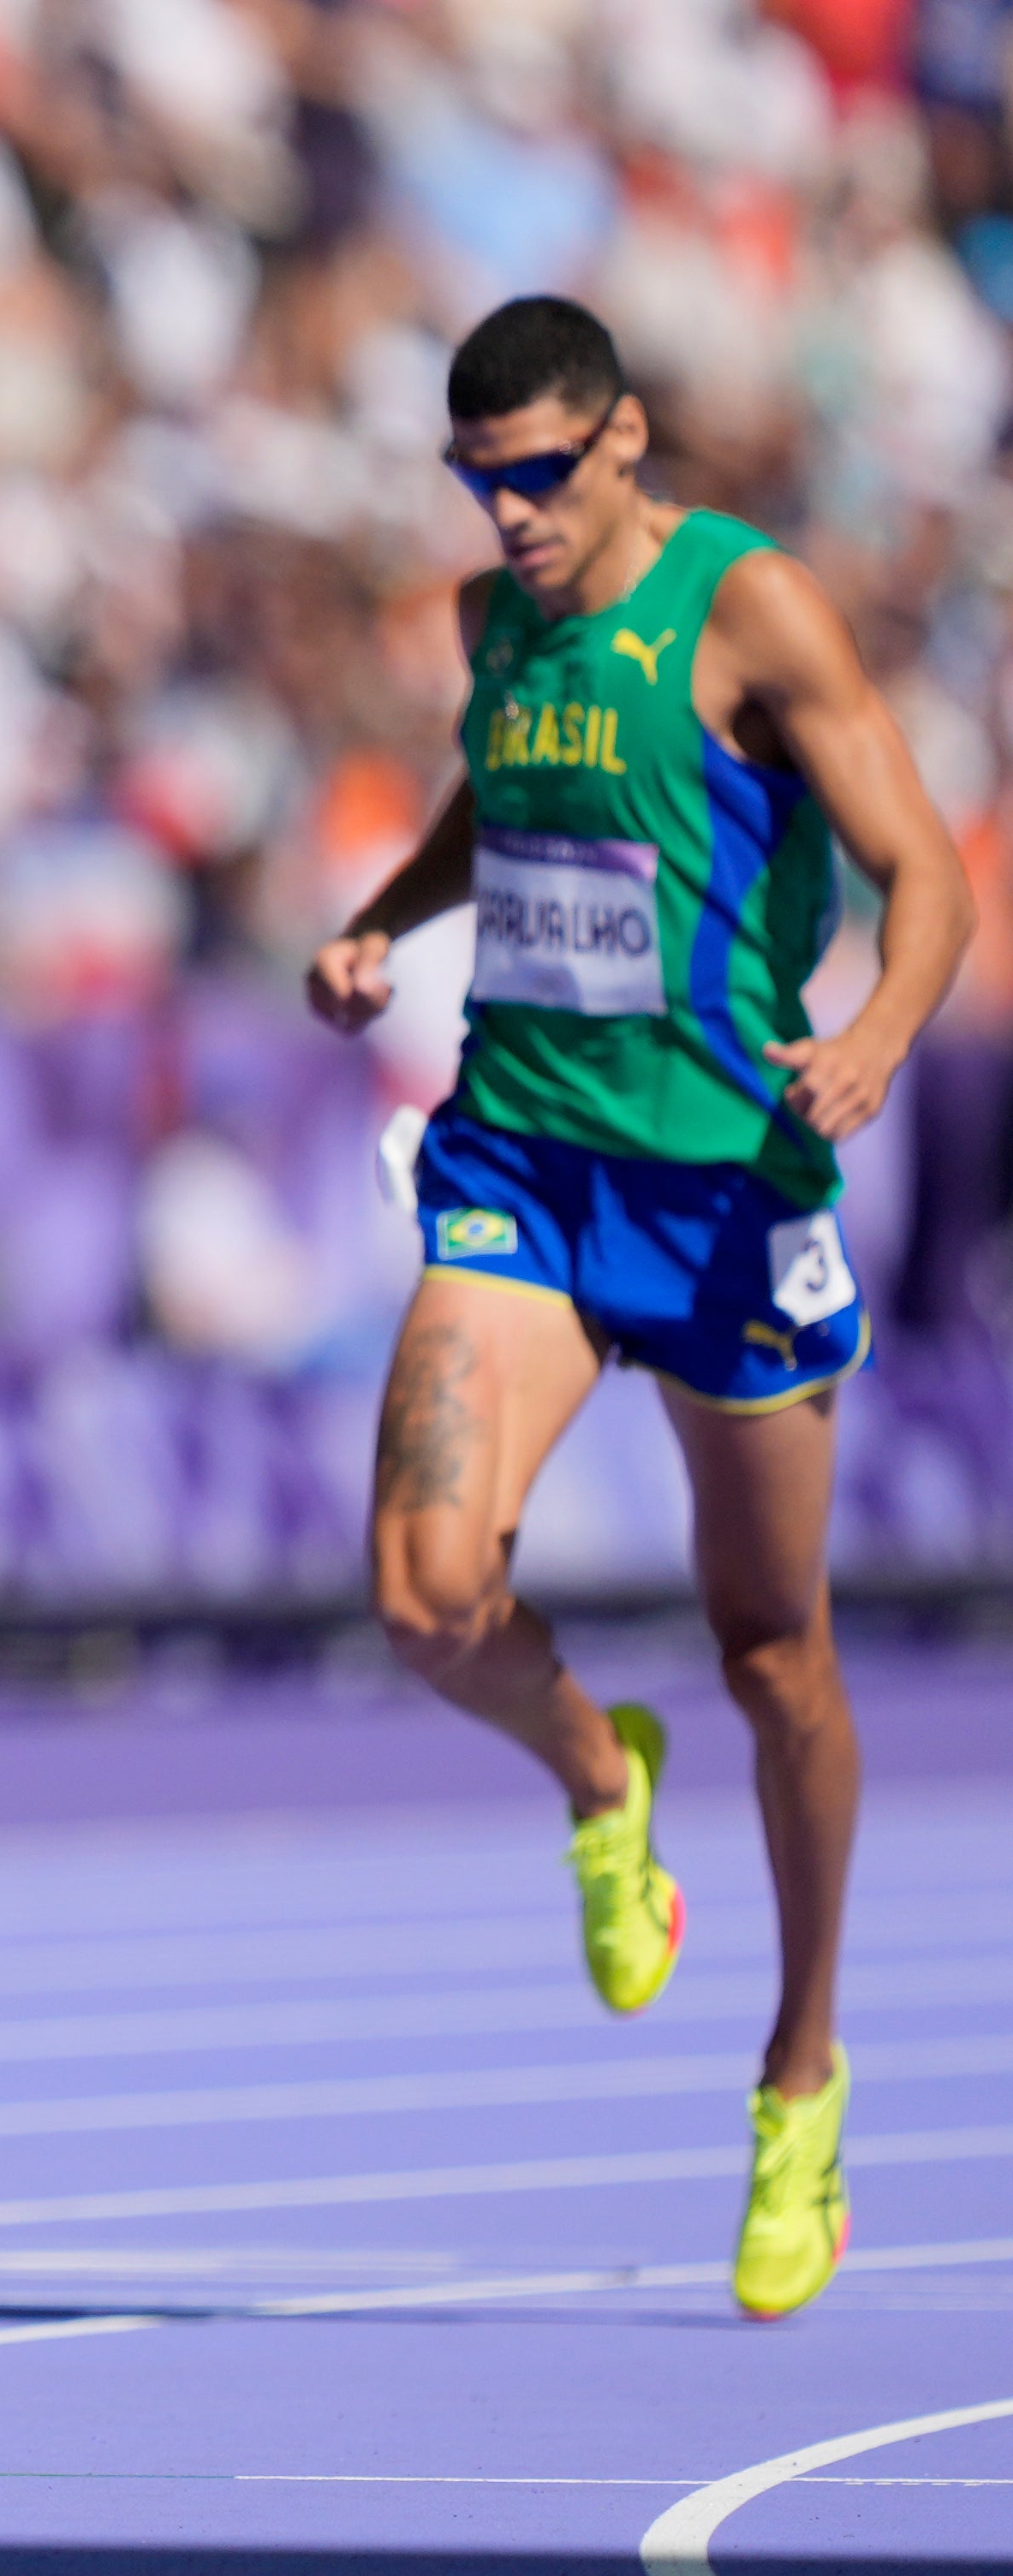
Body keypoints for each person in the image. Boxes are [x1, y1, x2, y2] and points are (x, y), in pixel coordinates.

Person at [307, 296, 972, 2319]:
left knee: (776, 1653)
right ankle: (604, 1779)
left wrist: (871, 1029)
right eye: (474, 476)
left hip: (719, 1192)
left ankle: (802, 2071)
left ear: (623, 442)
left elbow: (921, 866)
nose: (503, 512)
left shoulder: (747, 609)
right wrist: (385, 918)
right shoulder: (486, 623)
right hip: (521, 1154)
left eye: (534, 472)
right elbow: (499, 813)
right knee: (423, 1593)